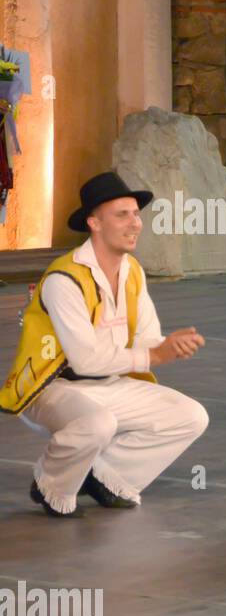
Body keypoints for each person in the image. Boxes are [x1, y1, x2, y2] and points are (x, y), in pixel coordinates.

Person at [1, 171, 209, 517]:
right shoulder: (63, 279)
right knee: (98, 424)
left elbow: (146, 337)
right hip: (52, 389)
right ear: (94, 223)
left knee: (190, 416)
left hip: (108, 386)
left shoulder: (132, 271)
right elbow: (84, 361)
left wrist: (170, 345)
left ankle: (103, 476)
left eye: (136, 214)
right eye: (122, 215)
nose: (135, 224)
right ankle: (51, 484)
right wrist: (154, 354)